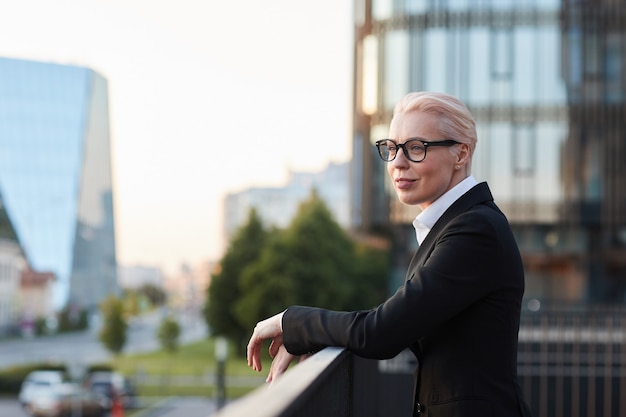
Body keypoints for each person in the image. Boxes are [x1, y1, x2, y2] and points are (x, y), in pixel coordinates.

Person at [247, 91, 533, 417]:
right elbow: (399, 317)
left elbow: (382, 332)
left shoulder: (474, 231)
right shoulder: (457, 225)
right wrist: (307, 337)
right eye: (392, 148)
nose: (397, 163)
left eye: (416, 148)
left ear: (461, 153)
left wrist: (292, 322)